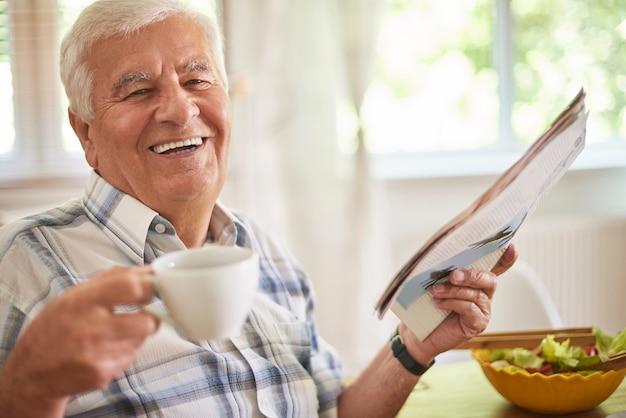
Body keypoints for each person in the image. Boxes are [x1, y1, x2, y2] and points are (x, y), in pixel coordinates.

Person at [0, 0, 518, 416]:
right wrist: (27, 389)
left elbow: (333, 411)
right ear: (84, 131)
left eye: (197, 80)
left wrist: (414, 344)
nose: (181, 110)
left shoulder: (262, 252)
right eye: (139, 90)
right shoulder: (21, 263)